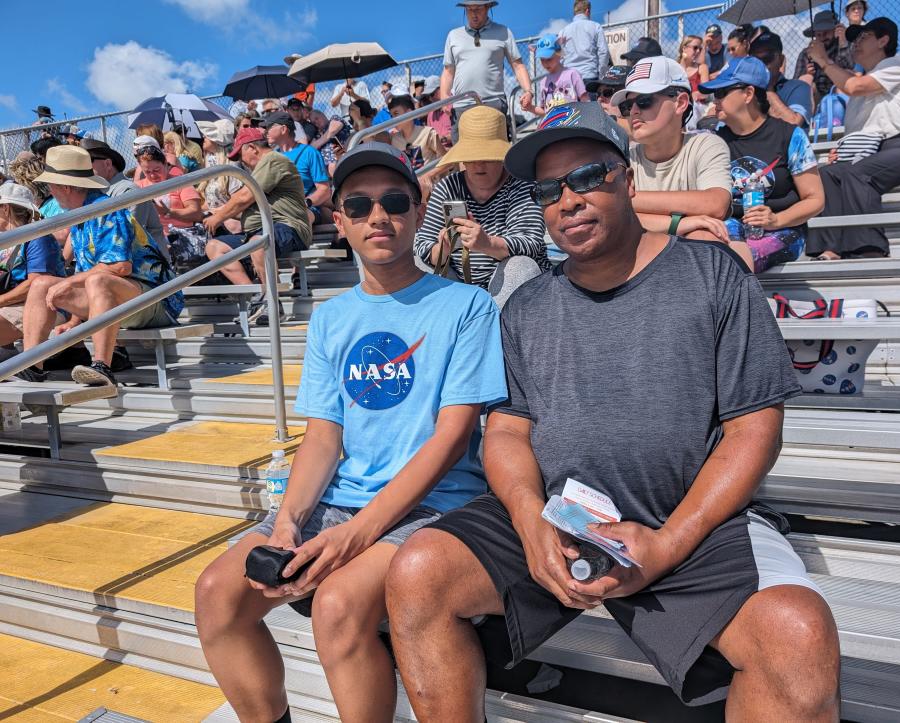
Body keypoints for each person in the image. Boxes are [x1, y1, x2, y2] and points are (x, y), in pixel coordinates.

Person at [385, 101, 841, 722]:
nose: (567, 199)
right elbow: (508, 432)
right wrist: (528, 521)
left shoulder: (714, 277)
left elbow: (754, 429)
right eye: (548, 188)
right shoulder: (526, 307)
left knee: (798, 635)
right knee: (418, 573)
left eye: (587, 177)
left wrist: (667, 544)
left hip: (685, 519)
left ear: (627, 180)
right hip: (554, 516)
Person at [194, 142, 507, 723]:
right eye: (359, 206)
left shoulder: (466, 306)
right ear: (338, 223)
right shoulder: (333, 317)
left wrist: (357, 534)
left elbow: (451, 438)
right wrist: (287, 521)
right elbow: (323, 436)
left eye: (393, 202)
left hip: (433, 506)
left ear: (418, 212)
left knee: (336, 605)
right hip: (341, 499)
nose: (378, 217)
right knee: (217, 595)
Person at [22, 146, 182, 387]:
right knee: (41, 284)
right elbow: (86, 274)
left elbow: (120, 267)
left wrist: (68, 283)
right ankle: (31, 366)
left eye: (52, 186)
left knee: (98, 280)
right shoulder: (80, 215)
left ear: (65, 187)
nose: (51, 193)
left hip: (157, 300)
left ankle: (103, 367)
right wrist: (74, 321)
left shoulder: (107, 210)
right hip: (122, 299)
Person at [806, 17, 900, 260]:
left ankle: (869, 248)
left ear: (883, 40)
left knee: (856, 173)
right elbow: (860, 132)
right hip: (876, 152)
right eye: (854, 39)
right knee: (826, 173)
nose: (855, 43)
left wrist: (823, 59)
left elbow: (855, 86)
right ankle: (831, 247)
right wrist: (842, 153)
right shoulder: (856, 92)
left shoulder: (896, 64)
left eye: (863, 37)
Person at [414, 105, 548, 305]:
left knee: (520, 266)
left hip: (507, 285)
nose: (478, 165)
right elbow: (422, 245)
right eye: (471, 157)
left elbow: (531, 244)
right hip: (459, 282)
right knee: (416, 265)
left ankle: (501, 330)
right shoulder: (447, 187)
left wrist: (488, 244)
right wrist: (443, 247)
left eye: (487, 157)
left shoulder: (522, 186)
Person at [702, 58, 825, 272]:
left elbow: (815, 199)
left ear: (748, 94)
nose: (715, 101)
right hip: (731, 224)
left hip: (783, 229)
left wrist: (776, 219)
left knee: (739, 258)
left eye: (722, 93)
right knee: (716, 253)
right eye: (715, 94)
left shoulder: (789, 136)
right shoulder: (713, 140)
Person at [611, 57, 737, 246]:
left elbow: (715, 204)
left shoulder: (706, 145)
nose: (634, 111)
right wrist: (676, 224)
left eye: (644, 101)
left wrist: (624, 199)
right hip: (637, 258)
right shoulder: (623, 156)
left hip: (684, 256)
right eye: (627, 107)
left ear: (680, 103)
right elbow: (610, 215)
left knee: (705, 235)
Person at [203, 128, 311, 305]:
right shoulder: (261, 169)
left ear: (252, 147)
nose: (242, 163)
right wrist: (219, 212)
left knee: (257, 243)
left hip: (288, 227)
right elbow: (248, 204)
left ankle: (273, 303)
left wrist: (218, 217)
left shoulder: (273, 160)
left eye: (241, 156)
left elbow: (245, 196)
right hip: (260, 230)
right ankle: (257, 296)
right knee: (214, 247)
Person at [441, 0, 534, 118]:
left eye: (478, 9)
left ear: (487, 7)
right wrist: (444, 96)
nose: (474, 14)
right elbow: (448, 71)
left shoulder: (503, 32)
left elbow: (518, 66)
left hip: (493, 102)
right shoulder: (453, 35)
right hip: (461, 105)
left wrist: (528, 91)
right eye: (469, 9)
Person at [0, 183, 65, 348]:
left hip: (42, 305)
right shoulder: (7, 239)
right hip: (13, 303)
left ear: (5, 209)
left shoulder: (37, 238)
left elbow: (36, 285)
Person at [82, 138, 165, 254]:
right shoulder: (95, 194)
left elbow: (127, 238)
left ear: (108, 164)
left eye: (86, 161)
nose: (82, 167)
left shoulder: (128, 191)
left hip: (146, 266)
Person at [261, 111, 332, 214]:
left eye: (269, 127)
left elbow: (324, 190)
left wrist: (305, 203)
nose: (265, 132)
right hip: (278, 211)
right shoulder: (271, 157)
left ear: (283, 129)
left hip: (305, 210)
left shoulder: (309, 152)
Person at [135, 145, 204, 234]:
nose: (152, 175)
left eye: (156, 170)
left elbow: (196, 214)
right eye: (147, 172)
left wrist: (168, 212)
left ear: (165, 164)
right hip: (152, 236)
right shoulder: (138, 186)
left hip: (180, 234)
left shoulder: (180, 182)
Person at [750, 32, 814, 127]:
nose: (762, 65)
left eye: (767, 58)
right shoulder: (748, 91)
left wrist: (767, 89)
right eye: (756, 61)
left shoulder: (799, 87)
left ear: (781, 60)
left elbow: (792, 124)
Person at [795, 10, 856, 104]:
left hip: (840, 93)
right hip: (816, 98)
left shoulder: (846, 46)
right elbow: (797, 82)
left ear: (835, 31)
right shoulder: (806, 53)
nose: (823, 37)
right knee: (807, 82)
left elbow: (851, 70)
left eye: (826, 33)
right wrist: (807, 74)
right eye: (819, 35)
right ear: (814, 35)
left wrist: (843, 44)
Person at [195, 119, 244, 235]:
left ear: (218, 141)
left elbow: (239, 202)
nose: (204, 137)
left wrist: (214, 212)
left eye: (208, 135)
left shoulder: (232, 167)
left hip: (233, 228)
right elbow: (212, 202)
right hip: (216, 224)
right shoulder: (211, 165)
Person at [523, 34, 589, 117]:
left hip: (572, 123)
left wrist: (587, 117)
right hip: (552, 126)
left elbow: (585, 99)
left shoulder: (572, 74)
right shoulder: (543, 82)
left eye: (549, 58)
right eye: (542, 60)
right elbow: (545, 111)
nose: (546, 63)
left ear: (559, 54)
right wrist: (530, 108)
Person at [559, 0, 610, 91]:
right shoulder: (595, 26)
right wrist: (602, 75)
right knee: (590, 105)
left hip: (569, 79)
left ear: (574, 12)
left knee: (570, 105)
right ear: (587, 11)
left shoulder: (563, 32)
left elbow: (560, 57)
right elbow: (604, 52)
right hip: (589, 76)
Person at [387, 93, 446, 171]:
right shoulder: (394, 140)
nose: (393, 119)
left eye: (396, 114)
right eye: (391, 116)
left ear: (409, 113)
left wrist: (429, 176)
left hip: (430, 182)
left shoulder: (427, 133)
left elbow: (445, 160)